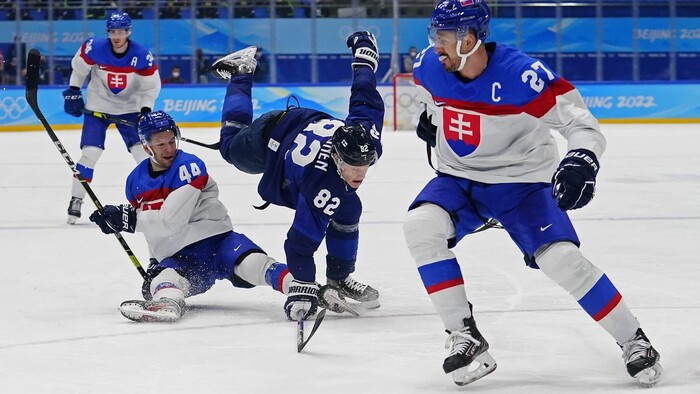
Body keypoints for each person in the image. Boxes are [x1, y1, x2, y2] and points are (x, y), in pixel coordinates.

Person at [402, 0, 662, 388]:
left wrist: (582, 159)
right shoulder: (428, 66)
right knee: (420, 226)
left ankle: (633, 340)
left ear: (469, 40)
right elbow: (430, 103)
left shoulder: (521, 75)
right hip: (458, 177)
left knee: (562, 261)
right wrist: (431, 122)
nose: (434, 46)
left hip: (519, 182)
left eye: (442, 38)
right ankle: (464, 334)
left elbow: (582, 124)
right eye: (433, 37)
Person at [210, 31, 384, 322]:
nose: (360, 174)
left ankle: (339, 277)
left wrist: (364, 51)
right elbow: (299, 244)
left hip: (302, 125)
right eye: (353, 166)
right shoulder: (322, 186)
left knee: (350, 206)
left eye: (365, 164)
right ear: (335, 156)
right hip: (269, 139)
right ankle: (241, 72)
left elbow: (364, 93)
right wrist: (302, 287)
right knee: (229, 146)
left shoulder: (367, 135)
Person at [88, 111, 293, 322]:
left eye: (171, 141)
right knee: (166, 280)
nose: (169, 149)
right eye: (160, 145)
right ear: (146, 146)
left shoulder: (189, 166)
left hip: (218, 242)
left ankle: (300, 289)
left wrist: (128, 219)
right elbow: (153, 230)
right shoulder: (134, 181)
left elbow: (173, 220)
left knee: (255, 264)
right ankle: (168, 303)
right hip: (180, 257)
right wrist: (154, 262)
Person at [62, 11, 161, 225]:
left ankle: (150, 200)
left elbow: (150, 87)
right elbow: (79, 69)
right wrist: (73, 89)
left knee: (143, 157)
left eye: (121, 31)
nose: (117, 36)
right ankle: (76, 198)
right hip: (98, 107)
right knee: (90, 154)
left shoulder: (141, 55)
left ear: (128, 32)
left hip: (130, 109)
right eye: (113, 31)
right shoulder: (94, 48)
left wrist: (145, 110)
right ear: (108, 32)